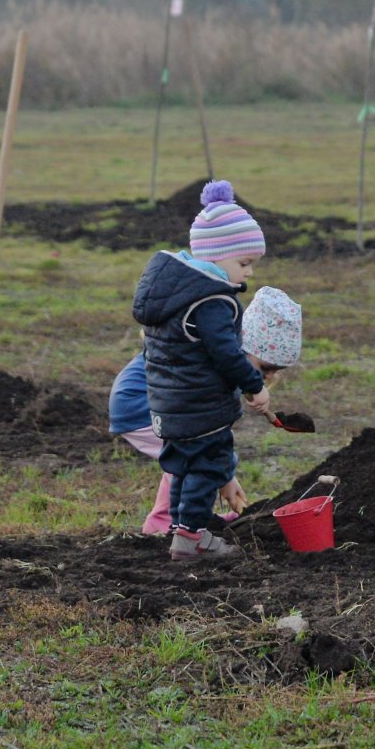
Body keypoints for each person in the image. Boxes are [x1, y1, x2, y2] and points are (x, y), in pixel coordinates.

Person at [130, 181, 272, 562]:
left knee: (185, 467)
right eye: (244, 264)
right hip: (200, 406)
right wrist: (254, 385)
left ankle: (182, 528)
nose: (249, 274)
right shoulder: (211, 300)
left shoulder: (175, 295)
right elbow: (226, 353)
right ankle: (192, 538)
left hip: (168, 405)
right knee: (208, 467)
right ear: (216, 256)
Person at [108, 287, 303, 534]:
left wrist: (224, 472)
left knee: (189, 455)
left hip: (148, 404)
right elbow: (205, 439)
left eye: (277, 370)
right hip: (139, 406)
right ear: (242, 347)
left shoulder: (219, 356)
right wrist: (224, 474)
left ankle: (185, 518)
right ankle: (166, 523)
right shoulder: (215, 363)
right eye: (266, 366)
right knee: (193, 456)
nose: (269, 376)